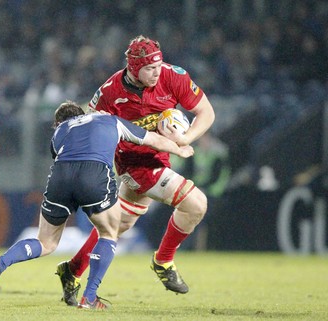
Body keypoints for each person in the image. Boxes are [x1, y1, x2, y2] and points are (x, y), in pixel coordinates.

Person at [0, 100, 194, 309]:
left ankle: (0, 263)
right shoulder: (110, 120)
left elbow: (60, 155)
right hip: (93, 172)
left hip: (60, 177)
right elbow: (152, 140)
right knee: (109, 232)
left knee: (46, 242)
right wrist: (180, 148)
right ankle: (89, 298)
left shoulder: (60, 132)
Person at [57, 35, 215, 306]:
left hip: (161, 156)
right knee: (196, 204)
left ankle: (71, 270)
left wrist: (186, 138)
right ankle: (164, 261)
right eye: (150, 68)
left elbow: (206, 112)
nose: (157, 72)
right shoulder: (108, 93)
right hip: (133, 163)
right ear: (133, 67)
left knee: (119, 224)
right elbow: (91, 129)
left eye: (159, 65)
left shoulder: (173, 76)